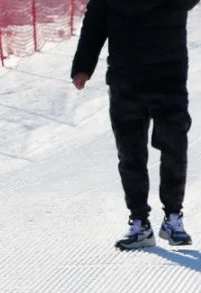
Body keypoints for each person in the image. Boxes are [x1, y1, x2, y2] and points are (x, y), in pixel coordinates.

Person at [71, 0, 198, 250]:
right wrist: (82, 67)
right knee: (130, 153)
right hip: (125, 80)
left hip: (168, 78)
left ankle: (173, 217)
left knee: (174, 147)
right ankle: (139, 221)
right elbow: (94, 24)